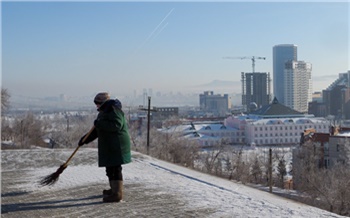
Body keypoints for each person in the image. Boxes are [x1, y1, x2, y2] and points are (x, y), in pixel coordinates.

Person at [78, 92, 131, 203]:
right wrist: (84, 140)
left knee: (115, 168)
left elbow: (117, 125)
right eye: (96, 103)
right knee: (110, 168)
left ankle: (117, 194)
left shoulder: (113, 109)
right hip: (110, 145)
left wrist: (100, 124)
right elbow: (97, 130)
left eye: (98, 103)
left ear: (103, 102)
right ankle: (114, 189)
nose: (96, 105)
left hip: (117, 145)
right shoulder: (104, 112)